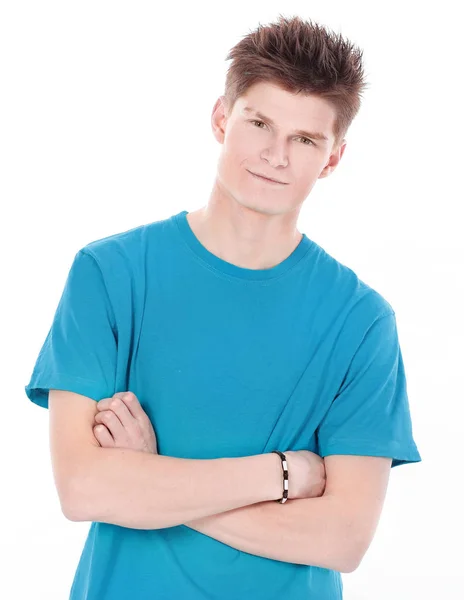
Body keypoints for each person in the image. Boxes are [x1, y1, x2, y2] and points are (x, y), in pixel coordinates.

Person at [24, 14, 421, 600]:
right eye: (259, 123)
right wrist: (283, 475)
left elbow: (342, 538)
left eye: (305, 139)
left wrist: (151, 478)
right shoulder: (110, 274)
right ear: (221, 118)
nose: (275, 155)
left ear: (333, 158)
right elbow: (83, 488)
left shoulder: (361, 322)